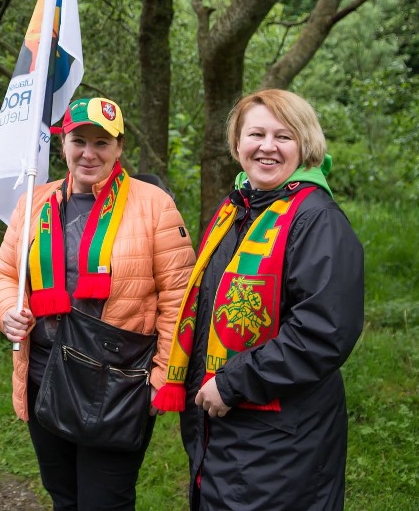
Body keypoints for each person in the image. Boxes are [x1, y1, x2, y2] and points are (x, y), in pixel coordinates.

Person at [153, 89, 365, 511]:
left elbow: (322, 333)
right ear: (237, 144)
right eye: (256, 134)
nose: (268, 146)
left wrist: (231, 384)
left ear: (305, 145)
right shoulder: (237, 210)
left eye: (283, 136)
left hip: (281, 441)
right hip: (228, 434)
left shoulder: (316, 219)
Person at [0, 97, 196, 511]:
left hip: (118, 383)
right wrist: (8, 309)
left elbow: (179, 298)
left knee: (105, 502)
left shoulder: (154, 204)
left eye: (101, 143)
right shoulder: (34, 201)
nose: (89, 153)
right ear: (62, 144)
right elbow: (6, 274)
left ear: (119, 147)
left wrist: (163, 377)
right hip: (46, 375)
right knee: (64, 497)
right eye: (79, 141)